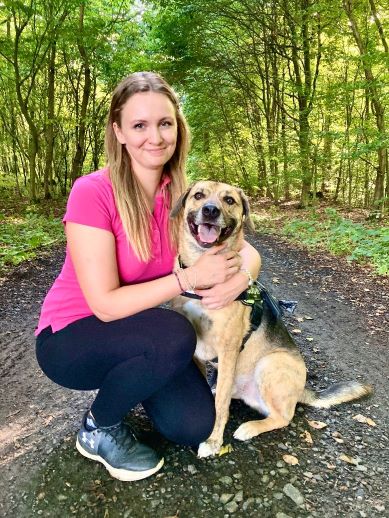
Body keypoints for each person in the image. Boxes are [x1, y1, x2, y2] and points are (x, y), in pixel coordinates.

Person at [35, 71, 261, 482]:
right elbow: (104, 305)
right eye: (139, 125)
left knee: (191, 425)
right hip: (72, 337)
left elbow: (244, 247)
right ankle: (98, 428)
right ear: (118, 131)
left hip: (136, 331)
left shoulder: (183, 195)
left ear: (178, 128)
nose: (154, 137)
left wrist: (242, 275)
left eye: (164, 123)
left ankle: (137, 374)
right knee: (175, 332)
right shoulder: (92, 192)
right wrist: (188, 278)